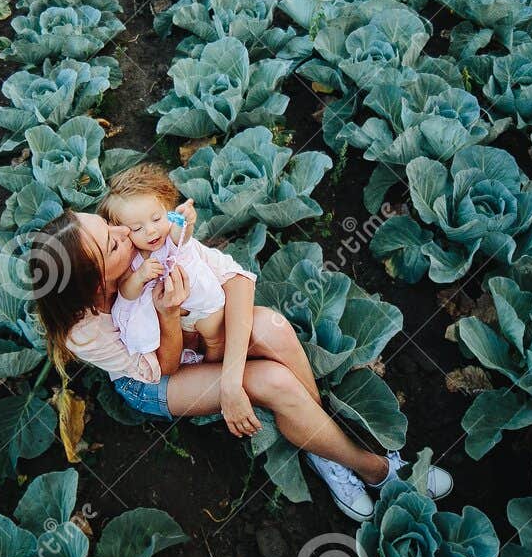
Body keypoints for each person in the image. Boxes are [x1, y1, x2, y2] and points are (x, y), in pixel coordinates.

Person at [27, 208, 452, 522]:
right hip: (155, 379)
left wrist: (230, 380)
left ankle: (324, 447)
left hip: (198, 337)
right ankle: (377, 470)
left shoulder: (139, 238)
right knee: (274, 382)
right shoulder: (85, 333)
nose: (123, 231)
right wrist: (169, 315)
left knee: (275, 329)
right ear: (99, 282)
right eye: (113, 242)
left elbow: (236, 279)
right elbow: (167, 366)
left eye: (110, 225)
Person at [100, 162, 249, 367]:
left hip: (204, 302)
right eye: (137, 228)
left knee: (216, 341)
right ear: (122, 231)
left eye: (156, 218)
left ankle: (216, 370)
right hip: (174, 317)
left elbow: (182, 237)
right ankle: (198, 371)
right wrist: (140, 276)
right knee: (188, 347)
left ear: (166, 210)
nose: (151, 231)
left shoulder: (169, 234)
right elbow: (126, 292)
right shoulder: (132, 260)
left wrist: (184, 222)